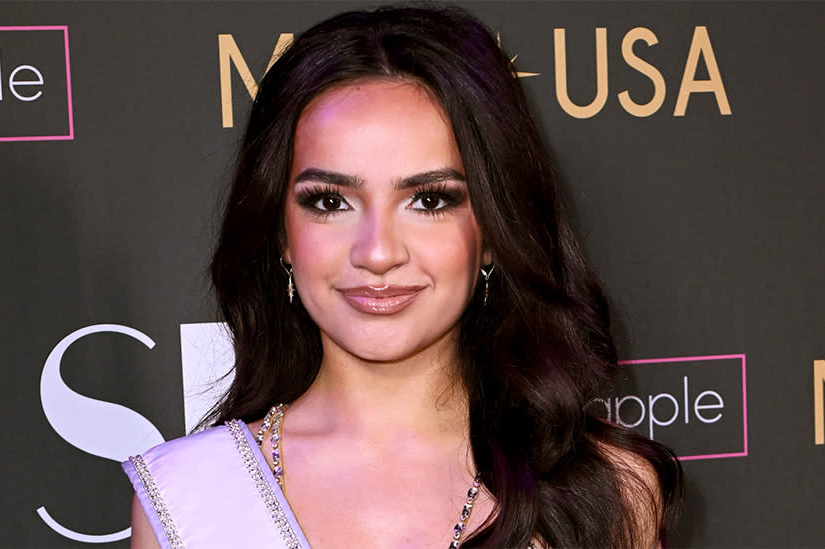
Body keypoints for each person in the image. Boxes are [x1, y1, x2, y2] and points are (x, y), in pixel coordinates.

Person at [123, 4, 683, 548]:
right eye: (330, 202)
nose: (378, 252)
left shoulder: (609, 493)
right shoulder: (185, 499)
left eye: (430, 199)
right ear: (280, 235)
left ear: (491, 231)